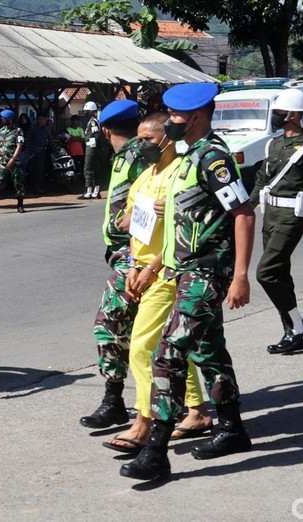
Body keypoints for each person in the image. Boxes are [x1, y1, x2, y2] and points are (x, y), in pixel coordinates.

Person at [121, 82, 255, 481]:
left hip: (207, 271)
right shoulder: (187, 156)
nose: (172, 121)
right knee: (210, 351)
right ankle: (232, 429)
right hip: (184, 270)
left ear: (195, 117)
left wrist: (242, 276)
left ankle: (157, 450)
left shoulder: (213, 158)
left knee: (169, 354)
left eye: (176, 116)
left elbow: (244, 213)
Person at [101, 112, 212, 454]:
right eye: (138, 139)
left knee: (142, 348)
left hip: (168, 272)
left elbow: (184, 235)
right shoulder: (146, 177)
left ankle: (143, 421)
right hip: (144, 270)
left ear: (167, 138)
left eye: (147, 139)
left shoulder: (180, 175)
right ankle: (197, 412)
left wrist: (151, 266)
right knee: (175, 347)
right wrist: (134, 264)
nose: (141, 146)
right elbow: (130, 225)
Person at [79, 100, 146, 431]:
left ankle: (115, 400)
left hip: (135, 256)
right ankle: (121, 400)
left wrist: (134, 258)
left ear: (105, 130)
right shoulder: (127, 156)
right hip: (124, 255)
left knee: (109, 324)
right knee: (131, 330)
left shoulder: (138, 156)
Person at [249, 88, 303, 355]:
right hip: (269, 216)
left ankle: (296, 325)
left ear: (294, 115)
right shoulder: (273, 144)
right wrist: (243, 213)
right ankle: (293, 331)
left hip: (292, 218)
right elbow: (260, 181)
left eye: (280, 113)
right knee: (280, 272)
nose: (276, 117)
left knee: (266, 273)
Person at [79, 101, 106, 199]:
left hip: (91, 148)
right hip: (92, 147)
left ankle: (89, 191)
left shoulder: (93, 121)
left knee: (88, 168)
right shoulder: (92, 121)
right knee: (94, 169)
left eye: (86, 111)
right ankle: (94, 191)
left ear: (91, 111)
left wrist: (91, 145)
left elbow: (95, 135)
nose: (85, 113)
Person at [26, 114, 54, 195]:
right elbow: (27, 141)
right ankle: (31, 188)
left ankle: (38, 188)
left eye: (41, 119)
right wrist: (27, 152)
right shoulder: (32, 128)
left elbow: (51, 141)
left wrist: (57, 151)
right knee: (31, 171)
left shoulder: (47, 130)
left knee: (40, 171)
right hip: (32, 153)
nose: (40, 121)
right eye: (38, 119)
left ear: (44, 120)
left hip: (41, 153)